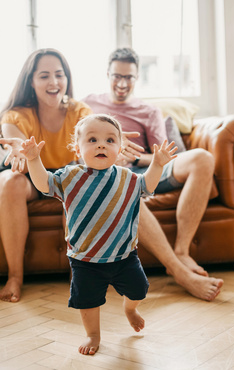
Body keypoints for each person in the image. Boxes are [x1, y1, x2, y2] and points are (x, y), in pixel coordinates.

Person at [20, 113, 178, 355]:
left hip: (124, 255)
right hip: (85, 259)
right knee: (88, 301)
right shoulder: (69, 177)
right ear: (77, 148)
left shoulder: (128, 178)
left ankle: (130, 309)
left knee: (139, 290)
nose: (101, 144)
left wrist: (157, 164)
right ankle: (93, 334)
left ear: (120, 147)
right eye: (92, 140)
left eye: (110, 140)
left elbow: (149, 185)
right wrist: (33, 160)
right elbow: (44, 185)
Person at [0, 48, 142, 303]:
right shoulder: (16, 114)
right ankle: (14, 277)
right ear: (30, 81)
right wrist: (18, 151)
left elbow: (93, 149)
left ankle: (80, 275)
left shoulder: (79, 111)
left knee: (82, 182)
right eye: (44, 76)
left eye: (59, 74)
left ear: (67, 78)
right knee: (9, 181)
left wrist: (115, 148)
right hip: (31, 172)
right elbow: (17, 145)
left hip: (67, 174)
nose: (54, 82)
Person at [83, 47, 224, 301]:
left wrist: (134, 156)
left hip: (146, 169)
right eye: (117, 76)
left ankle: (182, 250)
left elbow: (163, 154)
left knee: (202, 158)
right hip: (111, 174)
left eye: (129, 77)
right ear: (107, 74)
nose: (122, 83)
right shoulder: (89, 104)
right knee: (124, 186)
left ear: (137, 78)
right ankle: (179, 272)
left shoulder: (148, 111)